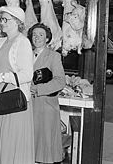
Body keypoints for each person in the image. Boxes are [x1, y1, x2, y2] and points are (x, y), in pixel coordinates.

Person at [0, 6, 35, 164]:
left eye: (5, 19)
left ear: (17, 22)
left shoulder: (23, 42)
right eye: (2, 19)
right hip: (0, 96)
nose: (2, 22)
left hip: (14, 99)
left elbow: (28, 74)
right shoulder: (1, 41)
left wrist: (3, 77)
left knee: (11, 141)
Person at [27, 23, 66, 164]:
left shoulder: (53, 56)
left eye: (41, 35)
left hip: (45, 108)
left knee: (44, 149)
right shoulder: (26, 54)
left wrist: (38, 89)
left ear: (47, 39)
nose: (37, 38)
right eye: (34, 35)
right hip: (28, 106)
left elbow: (60, 81)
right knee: (30, 146)